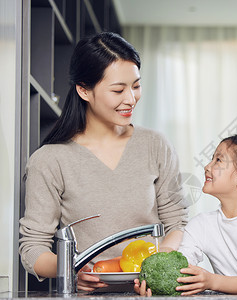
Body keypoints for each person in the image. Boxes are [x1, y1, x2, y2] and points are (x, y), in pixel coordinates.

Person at [18, 32, 189, 292]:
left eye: (136, 86)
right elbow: (32, 248)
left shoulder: (155, 145)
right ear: (84, 90)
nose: (131, 99)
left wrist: (156, 265)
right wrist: (72, 268)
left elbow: (177, 223)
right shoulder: (50, 160)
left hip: (151, 293)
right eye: (118, 90)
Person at [135, 135, 237, 296]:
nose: (207, 166)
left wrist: (211, 281)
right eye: (211, 159)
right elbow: (182, 267)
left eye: (218, 160)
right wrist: (153, 284)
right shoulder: (201, 224)